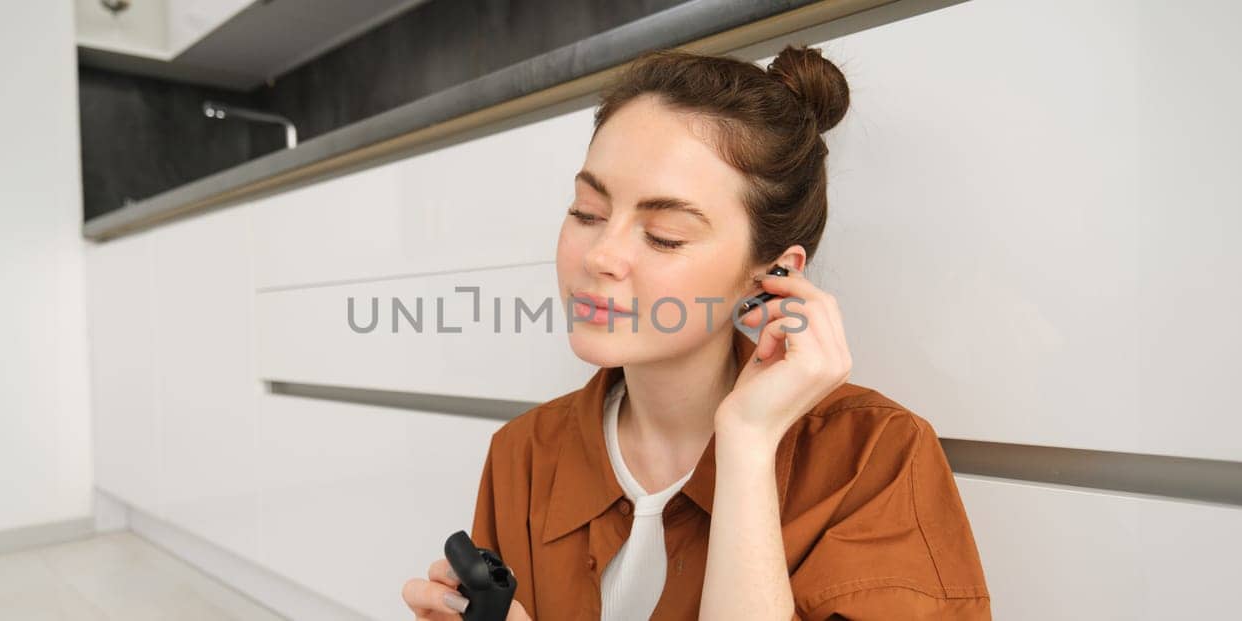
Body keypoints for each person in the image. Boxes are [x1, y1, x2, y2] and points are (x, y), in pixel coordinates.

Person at [404, 44, 990, 620]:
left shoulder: (873, 461)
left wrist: (746, 443)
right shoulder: (525, 453)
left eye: (664, 235)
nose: (601, 255)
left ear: (773, 274)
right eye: (587, 212)